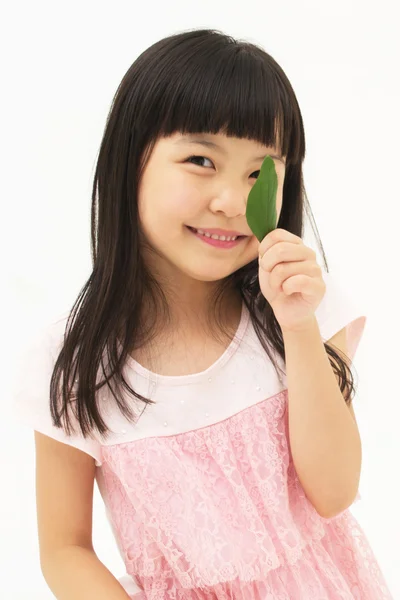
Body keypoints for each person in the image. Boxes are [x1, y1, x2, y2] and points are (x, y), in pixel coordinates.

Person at [12, 28, 393, 600]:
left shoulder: (304, 307)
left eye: (259, 174)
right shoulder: (71, 362)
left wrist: (298, 324)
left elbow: (334, 491)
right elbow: (64, 547)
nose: (232, 203)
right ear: (129, 158)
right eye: (200, 160)